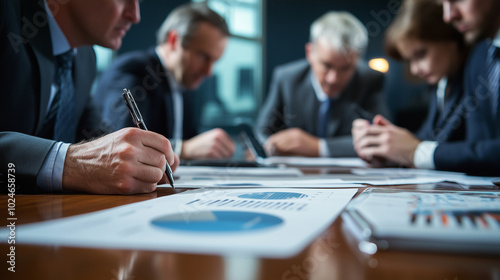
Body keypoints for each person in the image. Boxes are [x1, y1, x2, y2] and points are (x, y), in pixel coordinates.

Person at [0, 0, 178, 194]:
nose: (135, 16)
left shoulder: (85, 59)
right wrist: (68, 164)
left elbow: (98, 140)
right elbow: (84, 158)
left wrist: (137, 159)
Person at [354, 0, 500, 175]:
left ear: (450, 37)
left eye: (421, 54)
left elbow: (475, 149)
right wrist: (389, 145)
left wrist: (415, 152)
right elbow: (429, 140)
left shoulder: (478, 59)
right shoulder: (476, 62)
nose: (415, 70)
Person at [95, 3, 235, 160]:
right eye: (203, 57)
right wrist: (183, 149)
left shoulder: (185, 85)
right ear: (174, 40)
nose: (209, 71)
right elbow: (123, 146)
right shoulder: (134, 71)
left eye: (215, 61)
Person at [256, 11, 386, 158]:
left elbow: (379, 141)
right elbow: (261, 134)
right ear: (309, 52)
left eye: (345, 68)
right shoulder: (286, 78)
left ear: (358, 61)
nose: (333, 79)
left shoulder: (370, 80)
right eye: (326, 65)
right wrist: (270, 147)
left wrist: (317, 146)